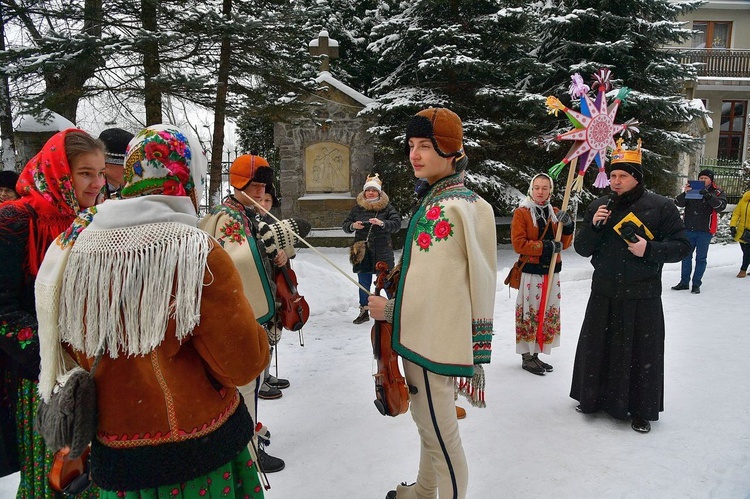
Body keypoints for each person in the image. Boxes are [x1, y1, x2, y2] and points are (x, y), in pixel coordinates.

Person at [35, 124, 269, 498]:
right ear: (187, 177)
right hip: (197, 452)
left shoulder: (73, 244)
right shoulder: (194, 249)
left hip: (117, 455)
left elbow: (66, 345)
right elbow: (241, 364)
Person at [369, 107, 496, 499]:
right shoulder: (438, 200)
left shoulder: (457, 206)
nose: (415, 154)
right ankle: (425, 491)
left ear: (452, 151)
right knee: (430, 426)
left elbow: (445, 289)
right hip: (426, 338)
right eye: (411, 145)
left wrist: (390, 311)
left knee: (442, 434)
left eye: (426, 145)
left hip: (432, 341)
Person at [0, 129, 105, 497]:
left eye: (101, 172)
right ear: (60, 172)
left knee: (88, 480)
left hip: (87, 370)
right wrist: (51, 359)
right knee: (54, 481)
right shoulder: (15, 221)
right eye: (85, 173)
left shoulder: (90, 221)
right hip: (39, 379)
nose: (96, 183)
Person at [570, 139, 691, 434]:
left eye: (622, 176)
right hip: (604, 292)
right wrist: (594, 227)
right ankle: (592, 399)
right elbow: (582, 249)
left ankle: (640, 409)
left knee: (640, 354)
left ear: (637, 177)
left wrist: (648, 250)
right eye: (612, 176)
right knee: (599, 348)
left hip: (642, 296)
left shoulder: (661, 207)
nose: (616, 181)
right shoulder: (600, 205)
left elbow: (682, 247)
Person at [200, 154, 306, 474]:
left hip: (248, 316)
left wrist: (278, 248)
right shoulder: (229, 217)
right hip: (241, 318)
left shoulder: (245, 215)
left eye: (263, 186)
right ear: (239, 184)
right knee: (245, 388)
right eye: (253, 185)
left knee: (251, 386)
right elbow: (238, 265)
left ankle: (247, 443)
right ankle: (248, 453)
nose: (260, 192)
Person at [510, 173, 574, 375]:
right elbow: (518, 244)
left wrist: (568, 226)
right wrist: (546, 246)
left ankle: (536, 353)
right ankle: (527, 356)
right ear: (531, 189)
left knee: (546, 312)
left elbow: (564, 244)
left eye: (545, 188)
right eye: (537, 187)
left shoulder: (555, 213)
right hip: (531, 273)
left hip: (552, 272)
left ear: (550, 190)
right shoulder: (522, 213)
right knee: (531, 312)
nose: (540, 192)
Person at [342, 173, 401, 324]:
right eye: (368, 190)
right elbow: (345, 226)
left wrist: (382, 223)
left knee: (388, 281)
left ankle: (393, 310)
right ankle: (364, 311)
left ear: (379, 192)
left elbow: (396, 224)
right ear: (364, 192)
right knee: (364, 282)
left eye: (374, 190)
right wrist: (352, 226)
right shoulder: (357, 208)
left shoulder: (387, 208)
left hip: (383, 251)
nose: (370, 193)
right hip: (363, 252)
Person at [672, 168, 727, 293]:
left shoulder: (717, 192)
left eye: (705, 178)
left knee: (701, 259)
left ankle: (696, 284)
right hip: (689, 229)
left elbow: (720, 206)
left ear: (711, 180)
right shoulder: (692, 189)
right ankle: (684, 282)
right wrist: (685, 193)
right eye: (701, 178)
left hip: (705, 231)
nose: (702, 180)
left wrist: (708, 196)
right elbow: (678, 203)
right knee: (686, 256)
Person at [97, 127, 135, 200]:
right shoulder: (91, 192)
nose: (132, 170)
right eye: (126, 165)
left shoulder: (133, 191)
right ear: (105, 164)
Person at [729, 188, 750, 278]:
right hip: (742, 231)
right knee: (745, 250)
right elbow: (737, 213)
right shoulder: (745, 199)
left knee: (747, 252)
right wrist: (733, 225)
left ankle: (743, 270)